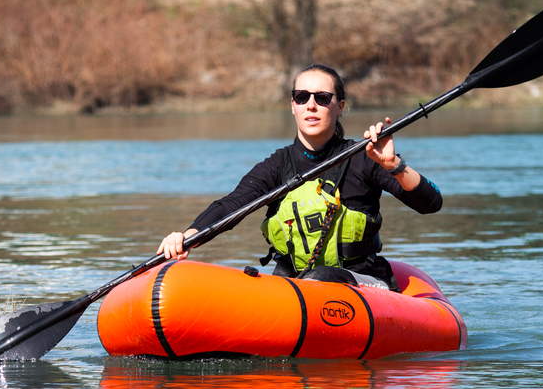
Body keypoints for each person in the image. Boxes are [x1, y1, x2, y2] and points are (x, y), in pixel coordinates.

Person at [157, 64, 442, 291]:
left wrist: (393, 164)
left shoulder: (365, 156)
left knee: (319, 276)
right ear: (292, 104)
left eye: (323, 98)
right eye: (302, 97)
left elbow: (430, 203)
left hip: (364, 282)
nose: (311, 105)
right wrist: (188, 236)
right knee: (292, 277)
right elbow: (232, 205)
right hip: (294, 286)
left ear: (340, 106)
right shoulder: (277, 165)